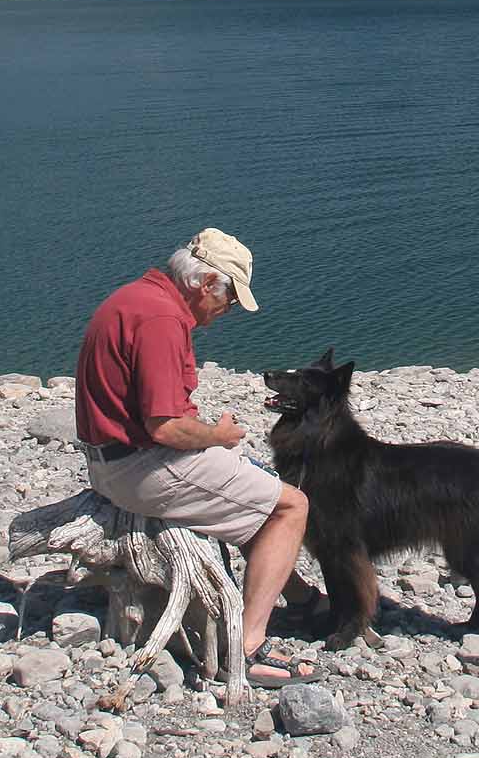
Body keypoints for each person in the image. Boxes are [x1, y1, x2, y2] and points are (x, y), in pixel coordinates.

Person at [74, 227, 316, 687]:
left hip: (110, 459)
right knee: (291, 506)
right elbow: (164, 427)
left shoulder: (137, 297)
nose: (225, 312)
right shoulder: (162, 320)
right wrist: (216, 434)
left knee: (254, 482)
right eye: (226, 300)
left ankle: (300, 597)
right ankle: (245, 649)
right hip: (140, 469)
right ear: (205, 284)